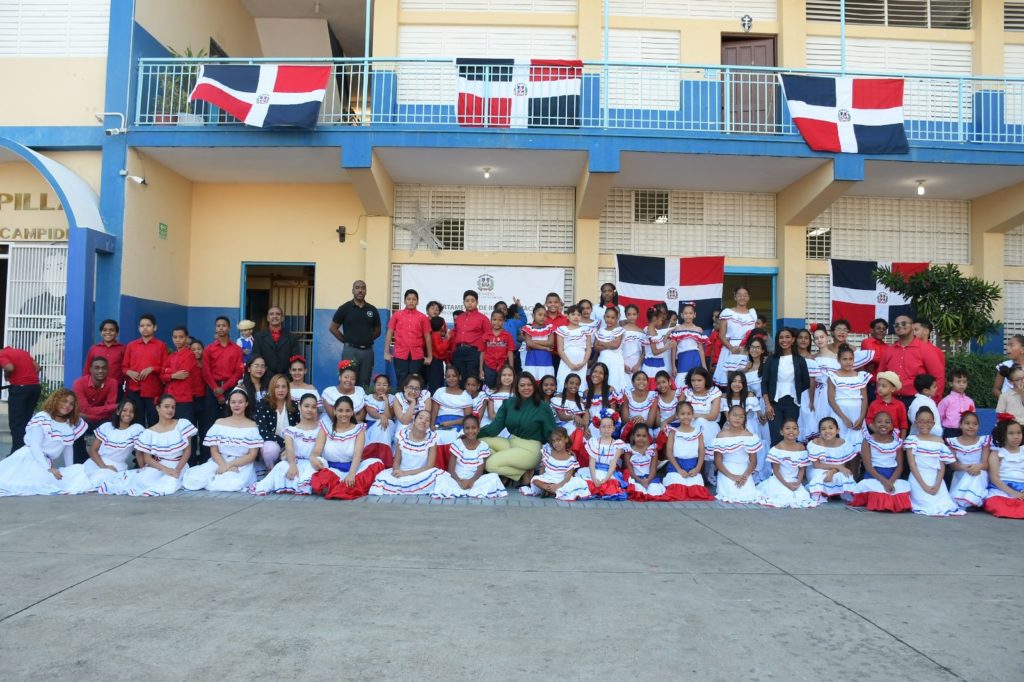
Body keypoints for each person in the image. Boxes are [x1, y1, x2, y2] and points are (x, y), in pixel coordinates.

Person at [0, 388, 90, 496]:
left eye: (71, 404)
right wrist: (48, 468)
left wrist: (69, 471)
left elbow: (68, 447)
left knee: (75, 474)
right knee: (27, 485)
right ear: (56, 400)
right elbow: (35, 446)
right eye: (64, 401)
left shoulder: (70, 424)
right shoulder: (43, 417)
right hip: (29, 459)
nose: (67, 406)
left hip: (45, 463)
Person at [480, 372, 556, 483]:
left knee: (489, 464)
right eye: (522, 385)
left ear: (534, 386)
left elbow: (551, 432)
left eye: (529, 385)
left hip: (530, 449)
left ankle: (521, 474)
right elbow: (495, 428)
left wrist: (562, 450)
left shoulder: (543, 407)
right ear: (517, 387)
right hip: (512, 442)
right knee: (480, 441)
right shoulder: (509, 403)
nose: (526, 388)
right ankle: (519, 471)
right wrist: (471, 436)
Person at [183, 388, 262, 492]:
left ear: (246, 403)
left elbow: (252, 455)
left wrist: (230, 465)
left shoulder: (252, 425)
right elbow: (214, 451)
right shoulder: (219, 423)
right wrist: (223, 465)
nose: (236, 405)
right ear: (228, 403)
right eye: (233, 402)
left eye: (240, 402)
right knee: (193, 480)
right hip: (219, 461)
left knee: (230, 485)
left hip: (241, 464)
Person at [308, 396, 386, 500]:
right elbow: (316, 451)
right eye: (340, 410)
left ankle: (340, 488)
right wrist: (313, 458)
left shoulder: (359, 429)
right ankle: (345, 488)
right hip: (331, 470)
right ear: (334, 411)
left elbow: (358, 455)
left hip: (353, 469)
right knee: (319, 476)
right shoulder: (326, 428)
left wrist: (351, 474)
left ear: (352, 412)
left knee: (377, 463)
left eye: (347, 411)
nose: (344, 414)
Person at [123, 395, 197, 496]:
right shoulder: (149, 432)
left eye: (173, 407)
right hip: (159, 466)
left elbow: (187, 451)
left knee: (169, 483)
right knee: (142, 481)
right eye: (166, 406)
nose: (170, 410)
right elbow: (147, 458)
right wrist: (165, 469)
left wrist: (177, 470)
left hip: (179, 465)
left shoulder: (182, 424)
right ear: (158, 408)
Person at [251, 393, 321, 495]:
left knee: (313, 469)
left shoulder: (321, 428)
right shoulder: (291, 430)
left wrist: (313, 458)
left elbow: (318, 450)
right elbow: (290, 449)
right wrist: (292, 465)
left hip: (312, 461)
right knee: (281, 467)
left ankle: (300, 485)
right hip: (295, 462)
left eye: (313, 407)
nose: (310, 409)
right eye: (306, 406)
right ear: (299, 407)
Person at [904, 407, 964, 517]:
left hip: (936, 479)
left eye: (928, 421)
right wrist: (923, 485)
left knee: (944, 504)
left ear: (933, 423)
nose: (924, 424)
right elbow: (912, 465)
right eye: (921, 421)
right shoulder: (912, 440)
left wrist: (937, 484)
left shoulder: (939, 441)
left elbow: (941, 466)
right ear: (916, 423)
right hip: (918, 479)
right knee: (926, 504)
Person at [368, 410, 444, 496]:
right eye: (421, 418)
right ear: (414, 421)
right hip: (402, 471)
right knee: (381, 477)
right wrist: (397, 470)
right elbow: (396, 461)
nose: (423, 421)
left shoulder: (432, 438)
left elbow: (429, 466)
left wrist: (406, 473)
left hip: (421, 474)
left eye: (427, 420)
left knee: (438, 476)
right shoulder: (402, 435)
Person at [430, 415, 506, 499]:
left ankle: (465, 490)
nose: (470, 431)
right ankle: (468, 491)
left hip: (475, 481)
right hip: (457, 480)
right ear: (463, 430)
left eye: (473, 428)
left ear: (478, 429)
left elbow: (480, 470)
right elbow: (451, 469)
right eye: (467, 428)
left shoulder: (483, 446)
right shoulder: (457, 443)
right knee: (441, 478)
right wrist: (459, 481)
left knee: (493, 477)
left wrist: (471, 481)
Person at [849, 412, 912, 513]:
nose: (883, 424)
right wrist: (884, 482)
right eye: (879, 422)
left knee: (898, 492)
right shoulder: (868, 441)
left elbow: (900, 467)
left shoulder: (897, 442)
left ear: (891, 426)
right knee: (880, 493)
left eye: (887, 422)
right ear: (873, 425)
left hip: (892, 476)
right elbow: (868, 466)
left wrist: (890, 482)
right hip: (874, 476)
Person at [877, 315, 944, 409]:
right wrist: (879, 400)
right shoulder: (889, 350)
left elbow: (938, 377)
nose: (899, 326)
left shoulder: (926, 349)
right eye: (896, 325)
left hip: (917, 401)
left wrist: (933, 402)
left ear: (912, 326)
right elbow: (880, 376)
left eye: (904, 323)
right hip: (891, 400)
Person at [763, 328, 811, 447]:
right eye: (781, 337)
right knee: (776, 438)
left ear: (793, 339)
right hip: (774, 404)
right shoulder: (771, 359)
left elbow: (806, 383)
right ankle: (776, 465)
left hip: (793, 404)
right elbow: (764, 383)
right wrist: (767, 405)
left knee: (790, 436)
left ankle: (791, 464)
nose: (784, 340)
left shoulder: (800, 360)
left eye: (787, 337)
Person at [83, 400, 144, 493]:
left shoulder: (136, 429)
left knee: (100, 478)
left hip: (117, 467)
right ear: (118, 411)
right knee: (82, 479)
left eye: (131, 411)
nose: (128, 413)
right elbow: (93, 450)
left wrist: (143, 471)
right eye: (124, 410)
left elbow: (139, 454)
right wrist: (104, 466)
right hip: (96, 462)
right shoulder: (107, 427)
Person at [330, 280, 381, 389]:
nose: (360, 290)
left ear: (366, 291)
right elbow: (333, 328)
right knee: (348, 380)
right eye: (357, 288)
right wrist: (346, 340)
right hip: (350, 351)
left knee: (364, 383)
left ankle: (361, 405)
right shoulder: (344, 308)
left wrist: (366, 339)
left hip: (367, 352)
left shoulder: (372, 309)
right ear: (353, 290)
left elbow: (378, 330)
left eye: (363, 288)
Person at [757, 417, 817, 509]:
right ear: (781, 432)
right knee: (784, 497)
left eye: (794, 428)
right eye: (787, 428)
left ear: (798, 432)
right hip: (780, 480)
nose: (791, 431)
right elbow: (776, 471)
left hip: (794, 480)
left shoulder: (801, 448)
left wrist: (798, 482)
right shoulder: (777, 449)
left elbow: (801, 469)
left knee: (802, 497)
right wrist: (786, 484)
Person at [710, 404, 764, 504]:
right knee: (730, 493)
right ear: (728, 416)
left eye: (741, 416)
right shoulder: (721, 436)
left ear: (744, 419)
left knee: (749, 495)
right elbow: (718, 461)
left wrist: (745, 476)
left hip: (744, 471)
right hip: (726, 470)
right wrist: (732, 476)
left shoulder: (749, 436)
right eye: (734, 415)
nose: (737, 418)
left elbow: (753, 461)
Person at [202, 316, 245, 439]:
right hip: (212, 388)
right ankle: (208, 455)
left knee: (230, 420)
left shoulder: (237, 350)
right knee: (210, 422)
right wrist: (217, 390)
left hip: (230, 388)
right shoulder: (209, 349)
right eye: (218, 326)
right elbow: (206, 371)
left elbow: (238, 372)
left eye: (224, 325)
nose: (221, 328)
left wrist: (224, 388)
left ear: (229, 327)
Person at [662, 402, 715, 500]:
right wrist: (679, 470)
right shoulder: (673, 432)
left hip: (692, 466)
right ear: (677, 416)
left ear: (692, 415)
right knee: (677, 491)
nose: (686, 416)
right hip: (676, 466)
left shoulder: (698, 432)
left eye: (688, 413)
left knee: (696, 492)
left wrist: (697, 469)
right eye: (682, 414)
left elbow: (701, 452)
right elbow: (669, 453)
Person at [122, 314, 167, 427]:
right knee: (137, 421)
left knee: (154, 420)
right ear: (138, 328)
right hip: (134, 389)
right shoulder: (131, 345)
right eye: (142, 325)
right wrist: (129, 372)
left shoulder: (161, 345)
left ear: (155, 327)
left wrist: (153, 368)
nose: (145, 328)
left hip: (153, 390)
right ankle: (138, 445)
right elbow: (123, 367)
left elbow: (165, 368)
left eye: (148, 325)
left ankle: (153, 444)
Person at [520, 426, 588, 500]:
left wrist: (557, 485)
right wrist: (542, 478)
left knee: (571, 485)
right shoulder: (548, 452)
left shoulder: (570, 458)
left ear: (566, 439)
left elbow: (568, 477)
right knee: (535, 480)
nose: (556, 443)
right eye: (554, 441)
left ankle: (551, 491)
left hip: (561, 480)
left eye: (558, 440)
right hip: (548, 478)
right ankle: (551, 490)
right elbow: (542, 469)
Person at [72, 357, 118, 463]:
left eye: (104, 368)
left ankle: (105, 460)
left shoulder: (112, 383)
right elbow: (84, 408)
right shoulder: (79, 383)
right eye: (97, 368)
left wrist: (90, 414)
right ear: (90, 369)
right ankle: (79, 461)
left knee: (111, 426)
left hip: (100, 419)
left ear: (108, 370)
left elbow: (110, 409)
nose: (100, 371)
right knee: (76, 424)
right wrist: (90, 414)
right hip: (83, 419)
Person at [384, 288, 433, 389]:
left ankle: (414, 403)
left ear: (418, 301)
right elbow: (389, 333)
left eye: (414, 299)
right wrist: (386, 352)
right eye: (409, 299)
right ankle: (400, 403)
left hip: (417, 354)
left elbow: (427, 337)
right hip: (400, 353)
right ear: (404, 301)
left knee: (415, 379)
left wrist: (430, 356)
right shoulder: (397, 315)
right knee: (401, 379)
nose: (411, 301)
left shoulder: (422, 317)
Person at [826, 344, 870, 449]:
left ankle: (854, 466)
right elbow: (831, 399)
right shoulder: (833, 376)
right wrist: (843, 418)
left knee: (857, 445)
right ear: (838, 360)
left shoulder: (860, 376)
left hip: (857, 414)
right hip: (840, 414)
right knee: (840, 444)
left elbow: (864, 399)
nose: (848, 362)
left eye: (851, 359)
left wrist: (861, 418)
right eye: (844, 359)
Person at [253, 374, 299, 471]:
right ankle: (270, 470)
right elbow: (262, 432)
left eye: (283, 386)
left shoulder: (294, 405)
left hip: (291, 443)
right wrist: (284, 442)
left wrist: (289, 445)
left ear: (288, 389)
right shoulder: (263, 404)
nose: (281, 390)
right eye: (277, 387)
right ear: (272, 388)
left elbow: (299, 427)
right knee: (270, 450)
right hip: (273, 443)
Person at [713, 286, 757, 387]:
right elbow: (721, 335)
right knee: (730, 380)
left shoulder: (752, 314)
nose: (742, 297)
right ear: (735, 297)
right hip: (730, 348)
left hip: (747, 350)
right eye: (739, 295)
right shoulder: (727, 312)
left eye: (745, 295)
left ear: (749, 297)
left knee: (745, 380)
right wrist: (731, 348)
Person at [806, 417, 857, 502]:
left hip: (836, 469)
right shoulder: (814, 443)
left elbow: (842, 465)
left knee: (844, 475)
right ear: (819, 432)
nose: (827, 431)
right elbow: (817, 465)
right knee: (820, 476)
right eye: (823, 429)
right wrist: (838, 467)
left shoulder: (843, 443)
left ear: (837, 430)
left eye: (831, 428)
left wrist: (832, 472)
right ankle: (819, 493)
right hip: (818, 469)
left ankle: (843, 493)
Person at [947, 411, 990, 510]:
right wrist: (966, 467)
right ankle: (966, 501)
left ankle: (971, 501)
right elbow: (952, 465)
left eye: (975, 424)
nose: (971, 426)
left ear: (978, 426)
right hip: (961, 474)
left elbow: (985, 464)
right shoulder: (953, 442)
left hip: (979, 472)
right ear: (960, 425)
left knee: (979, 474)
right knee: (970, 474)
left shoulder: (983, 440)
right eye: (967, 423)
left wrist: (976, 467)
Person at [983, 416, 1024, 518]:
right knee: (996, 504)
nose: (1016, 436)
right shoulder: (997, 454)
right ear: (1003, 435)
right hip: (1001, 488)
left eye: (1019, 433)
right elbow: (994, 478)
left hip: (1022, 487)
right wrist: (1014, 493)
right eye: (1011, 433)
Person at [450, 290, 490, 386]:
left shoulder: (483, 318)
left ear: (477, 302)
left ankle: (475, 400)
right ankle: (461, 400)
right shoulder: (459, 318)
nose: (470, 303)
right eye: (467, 301)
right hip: (459, 351)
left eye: (472, 300)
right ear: (463, 302)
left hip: (474, 352)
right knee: (459, 379)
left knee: (473, 379)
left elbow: (488, 336)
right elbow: (455, 335)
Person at [161, 326, 199, 422]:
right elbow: (161, 375)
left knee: (184, 430)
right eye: (175, 337)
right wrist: (173, 375)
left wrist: (168, 371)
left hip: (184, 398)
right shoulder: (171, 355)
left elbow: (183, 374)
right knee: (171, 429)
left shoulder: (190, 355)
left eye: (181, 337)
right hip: (170, 398)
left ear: (186, 338)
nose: (177, 340)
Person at [253, 307, 302, 378]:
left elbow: (295, 359)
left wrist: (287, 376)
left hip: (286, 378)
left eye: (278, 314)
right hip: (264, 377)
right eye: (271, 314)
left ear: (282, 318)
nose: (274, 316)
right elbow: (256, 357)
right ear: (267, 318)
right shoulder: (258, 337)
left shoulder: (292, 337)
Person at [83, 319, 126, 394]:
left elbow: (125, 369)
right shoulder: (94, 349)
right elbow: (87, 369)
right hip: (96, 387)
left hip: (116, 387)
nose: (108, 332)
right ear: (101, 333)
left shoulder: (123, 349)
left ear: (117, 333)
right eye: (105, 330)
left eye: (111, 330)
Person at [431, 366, 473, 445]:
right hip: (439, 424)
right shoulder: (440, 391)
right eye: (448, 376)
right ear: (445, 378)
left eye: (454, 376)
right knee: (436, 439)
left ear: (459, 377)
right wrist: (431, 426)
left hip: (458, 425)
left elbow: (467, 418)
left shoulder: (466, 395)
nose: (451, 379)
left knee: (454, 440)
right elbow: (434, 412)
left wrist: (450, 423)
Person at [555, 305, 591, 392]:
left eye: (578, 315)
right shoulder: (562, 329)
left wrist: (583, 363)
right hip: (566, 360)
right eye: (573, 314)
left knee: (580, 383)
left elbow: (589, 348)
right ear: (567, 316)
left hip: (581, 360)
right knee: (563, 380)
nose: (576, 317)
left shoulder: (586, 329)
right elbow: (560, 349)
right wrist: (569, 364)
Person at [865, 372, 909, 436]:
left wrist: (902, 440)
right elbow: (869, 420)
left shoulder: (899, 405)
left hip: (895, 439)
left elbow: (903, 424)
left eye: (884, 386)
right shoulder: (874, 404)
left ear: (893, 389)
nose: (880, 388)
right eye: (879, 385)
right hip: (878, 438)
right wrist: (877, 431)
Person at [594, 306, 626, 393]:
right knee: (603, 379)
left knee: (614, 380)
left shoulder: (619, 330)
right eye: (608, 317)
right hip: (603, 359)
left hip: (615, 360)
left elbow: (615, 345)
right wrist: (609, 343)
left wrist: (602, 343)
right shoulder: (600, 331)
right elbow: (596, 347)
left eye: (613, 317)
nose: (610, 320)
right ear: (604, 317)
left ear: (617, 318)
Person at [481, 310, 515, 389]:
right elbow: (482, 352)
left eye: (500, 320)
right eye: (494, 319)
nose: (497, 322)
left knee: (503, 386)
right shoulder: (485, 335)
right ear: (490, 320)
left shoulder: (507, 335)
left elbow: (510, 352)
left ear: (503, 321)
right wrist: (481, 369)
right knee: (489, 387)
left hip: (503, 365)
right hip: (489, 365)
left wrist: (511, 368)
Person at [913, 318, 946, 396]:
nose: (912, 333)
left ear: (926, 331)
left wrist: (934, 399)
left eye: (916, 329)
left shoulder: (935, 351)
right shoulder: (910, 349)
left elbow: (939, 378)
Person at [521, 304, 555, 381]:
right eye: (540, 315)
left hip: (545, 360)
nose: (542, 317)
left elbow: (550, 342)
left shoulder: (549, 328)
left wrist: (533, 342)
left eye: (545, 315)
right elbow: (529, 344)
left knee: (545, 382)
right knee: (531, 381)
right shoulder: (528, 328)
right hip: (532, 360)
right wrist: (544, 347)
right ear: (533, 315)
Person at [641, 307, 673, 384]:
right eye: (661, 320)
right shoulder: (651, 332)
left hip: (659, 364)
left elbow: (659, 345)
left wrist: (666, 335)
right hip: (652, 367)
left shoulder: (655, 331)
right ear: (655, 318)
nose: (662, 322)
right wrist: (668, 347)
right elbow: (654, 352)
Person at [937, 369, 973, 439]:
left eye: (964, 382)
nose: (962, 384)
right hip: (950, 432)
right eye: (958, 382)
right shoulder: (946, 401)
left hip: (966, 432)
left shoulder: (970, 401)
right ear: (951, 383)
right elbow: (939, 418)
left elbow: (972, 417)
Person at [427, 316, 451, 394]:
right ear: (442, 326)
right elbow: (440, 350)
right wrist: (447, 339)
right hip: (435, 362)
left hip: (436, 362)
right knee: (436, 384)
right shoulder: (436, 335)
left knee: (437, 382)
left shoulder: (434, 334)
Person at [620, 305, 646, 378]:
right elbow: (617, 350)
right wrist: (623, 365)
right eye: (629, 314)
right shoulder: (621, 331)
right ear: (625, 315)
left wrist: (638, 365)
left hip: (637, 364)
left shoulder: (642, 332)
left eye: (634, 314)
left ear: (637, 315)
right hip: (623, 363)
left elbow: (644, 352)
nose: (632, 317)